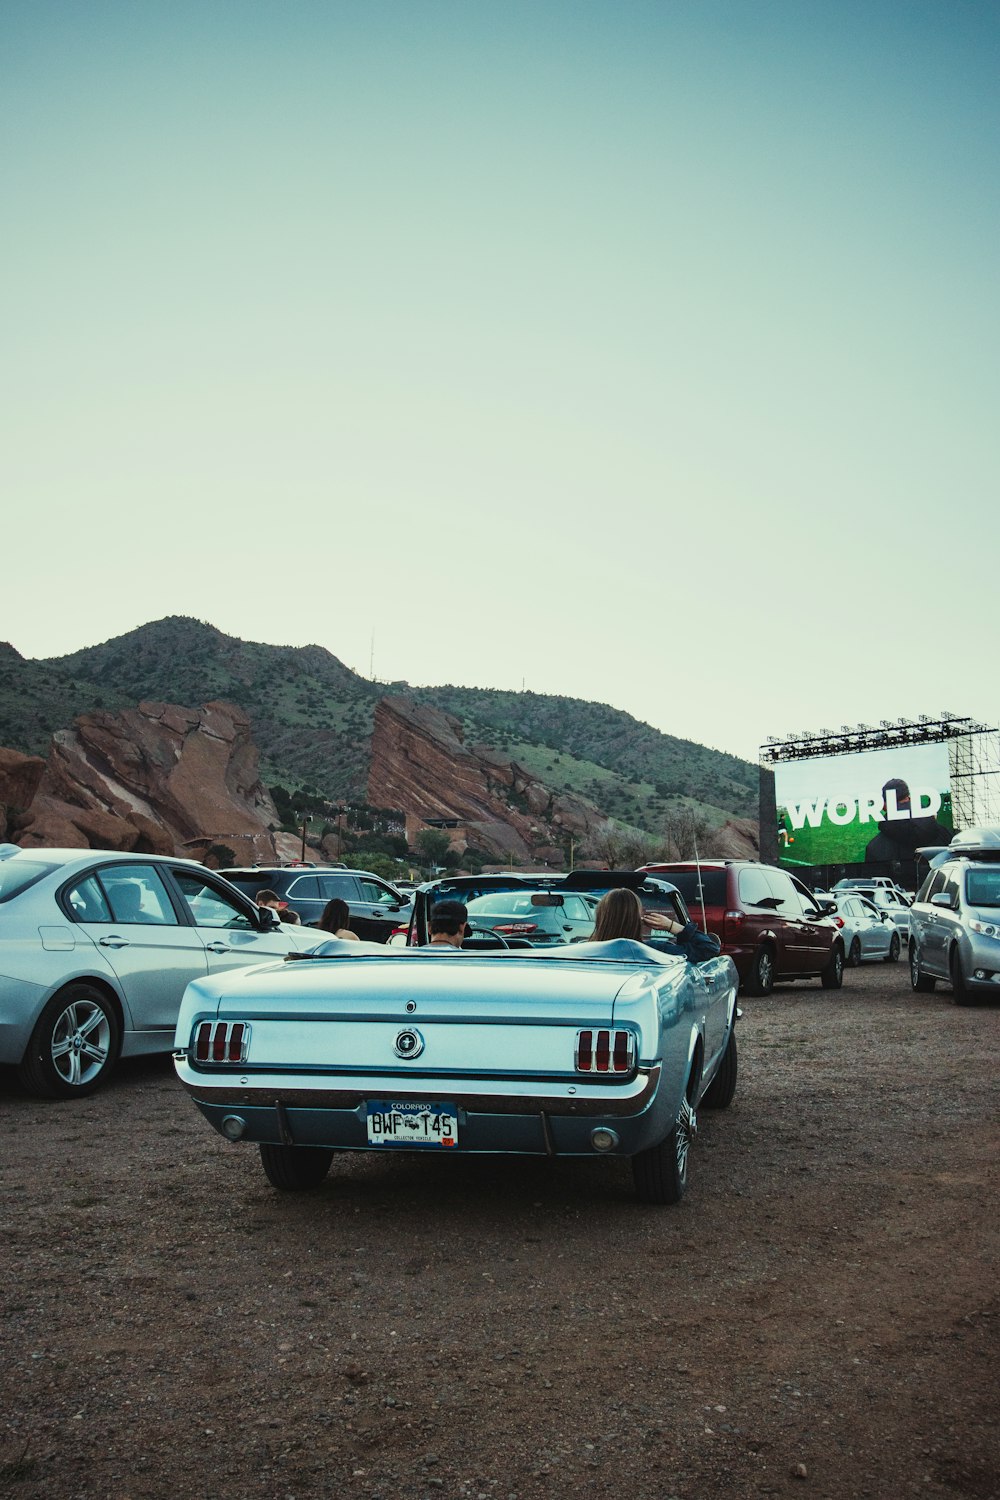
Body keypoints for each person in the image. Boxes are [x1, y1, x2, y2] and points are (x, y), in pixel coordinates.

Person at [590, 888, 721, 963]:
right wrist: (671, 926)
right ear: (636, 919)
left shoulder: (584, 951)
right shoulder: (654, 950)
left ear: (601, 918)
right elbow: (709, 949)